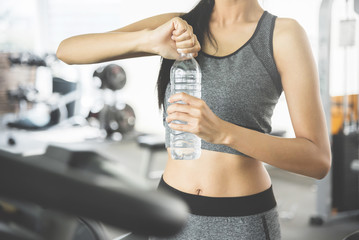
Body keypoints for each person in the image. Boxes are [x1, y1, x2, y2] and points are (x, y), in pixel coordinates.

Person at [56, 0, 332, 239]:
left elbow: (317, 160)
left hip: (241, 219)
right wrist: (148, 40)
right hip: (169, 210)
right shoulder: (176, 26)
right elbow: (68, 51)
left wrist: (223, 132)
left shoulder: (282, 34)